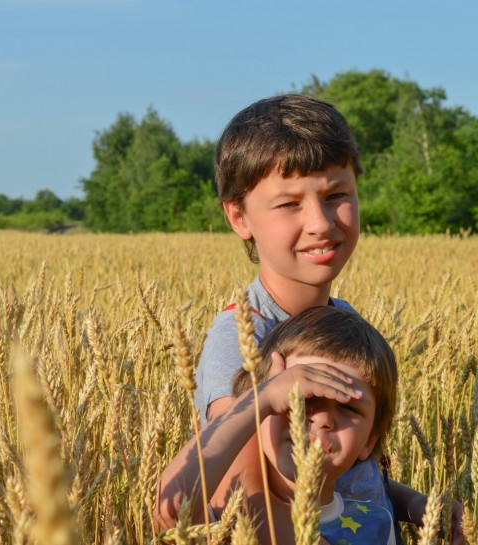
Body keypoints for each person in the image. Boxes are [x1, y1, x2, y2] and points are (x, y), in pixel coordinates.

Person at [169, 93, 462, 540]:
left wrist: (410, 502)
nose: (321, 222)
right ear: (238, 216)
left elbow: (349, 477)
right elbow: (247, 495)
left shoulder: (343, 319)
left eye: (336, 195)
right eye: (289, 204)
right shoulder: (240, 340)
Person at [159, 306, 400, 545]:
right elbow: (172, 507)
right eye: (300, 396)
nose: (323, 419)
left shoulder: (377, 525)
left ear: (369, 441)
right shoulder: (227, 520)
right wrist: (260, 398)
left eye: (348, 407)